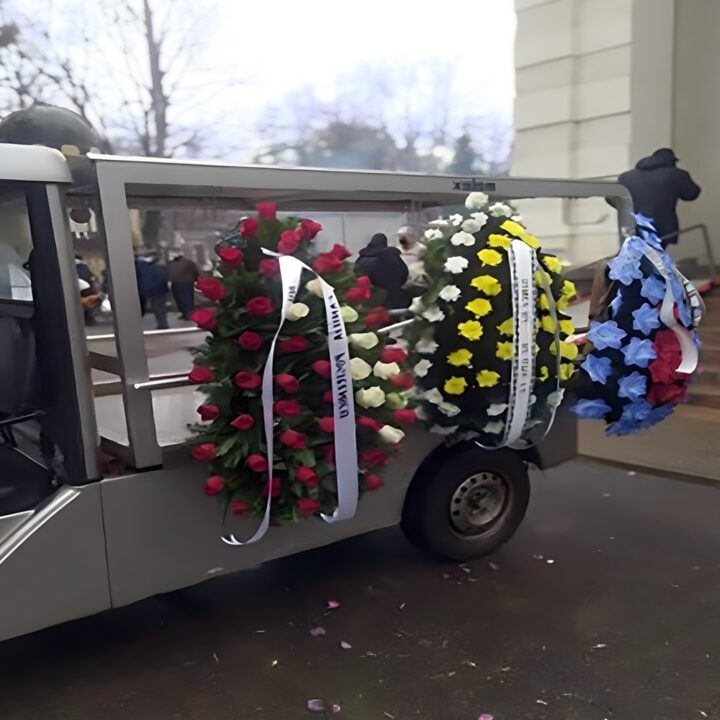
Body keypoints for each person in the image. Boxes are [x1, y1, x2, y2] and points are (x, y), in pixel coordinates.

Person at [617, 148, 701, 246]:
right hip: (661, 227)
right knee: (654, 252)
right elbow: (691, 194)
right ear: (672, 161)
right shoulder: (676, 174)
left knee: (638, 252)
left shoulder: (625, 177)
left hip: (631, 226)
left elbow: (612, 198)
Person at [354, 233, 409, 308]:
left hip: (365, 299)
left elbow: (356, 276)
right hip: (390, 298)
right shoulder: (389, 257)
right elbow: (402, 274)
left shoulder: (361, 258)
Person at [134, 252, 169, 329]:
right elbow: (163, 278)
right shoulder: (159, 266)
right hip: (158, 289)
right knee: (159, 306)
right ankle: (162, 323)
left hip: (145, 288)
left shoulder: (141, 265)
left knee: (155, 306)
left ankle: (162, 323)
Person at [167, 253, 199, 320]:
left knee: (186, 299)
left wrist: (195, 279)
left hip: (186, 283)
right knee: (179, 299)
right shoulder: (171, 263)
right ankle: (184, 313)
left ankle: (189, 314)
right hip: (175, 283)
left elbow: (196, 271)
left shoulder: (189, 263)